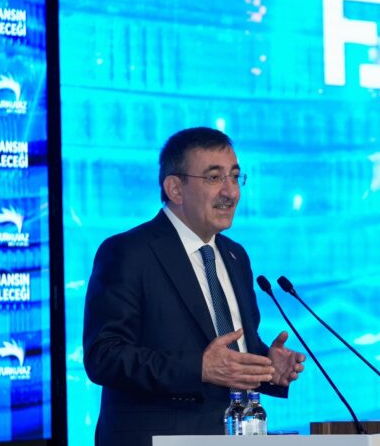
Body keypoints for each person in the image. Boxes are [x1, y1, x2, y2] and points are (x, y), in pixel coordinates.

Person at [83, 127, 306, 446]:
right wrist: (198, 368)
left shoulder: (235, 256)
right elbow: (104, 356)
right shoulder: (129, 252)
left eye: (235, 177)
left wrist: (267, 366)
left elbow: (227, 352)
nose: (231, 192)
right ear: (175, 188)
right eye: (214, 178)